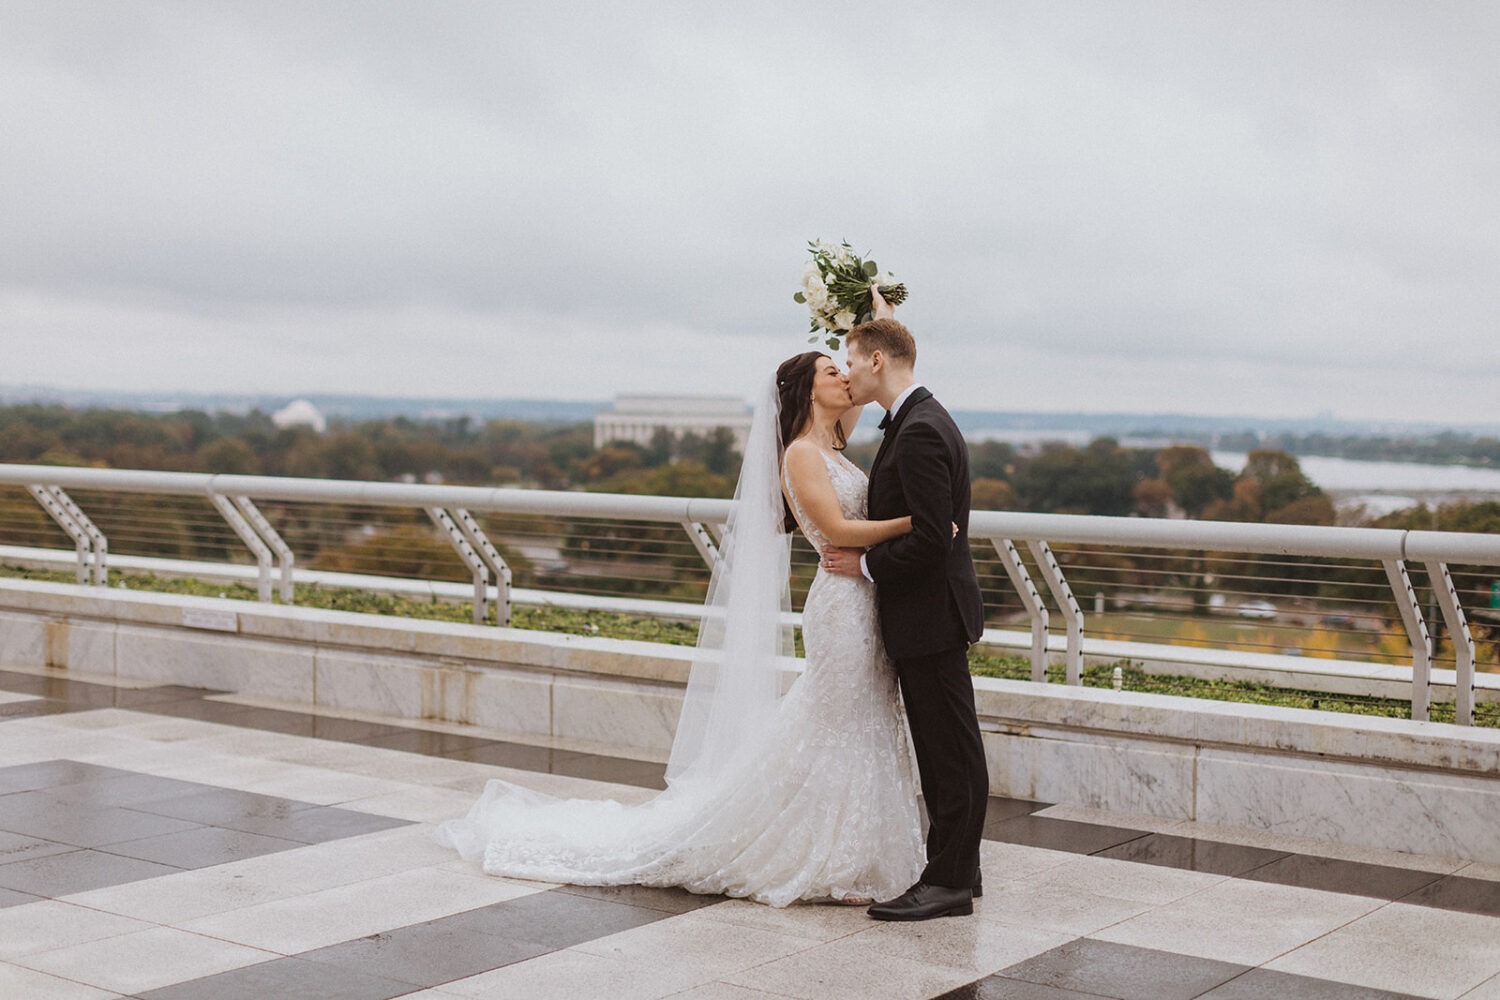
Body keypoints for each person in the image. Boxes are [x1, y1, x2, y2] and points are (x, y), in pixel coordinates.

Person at [434, 349, 925, 907]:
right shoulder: (801, 455)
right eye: (831, 371)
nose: (845, 375)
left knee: (858, 718)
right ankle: (815, 849)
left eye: (844, 367)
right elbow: (838, 528)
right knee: (835, 720)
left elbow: (863, 391)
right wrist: (919, 520)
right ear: (809, 392)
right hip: (841, 604)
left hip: (863, 598)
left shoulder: (833, 443)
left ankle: (857, 848)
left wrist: (866, 310)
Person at [822, 287, 989, 921]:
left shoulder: (919, 432)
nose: (847, 367)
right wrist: (886, 322)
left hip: (930, 615)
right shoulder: (922, 417)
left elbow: (927, 539)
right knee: (948, 748)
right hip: (932, 614)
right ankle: (958, 870)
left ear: (877, 362)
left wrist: (860, 563)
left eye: (851, 356)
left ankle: (947, 882)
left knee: (949, 752)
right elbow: (933, 531)